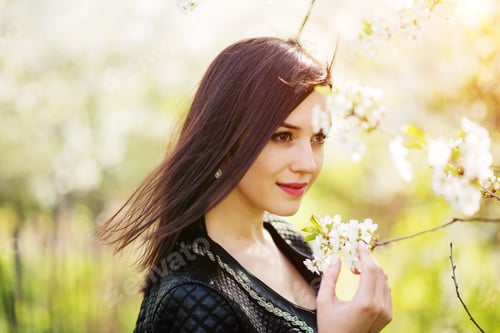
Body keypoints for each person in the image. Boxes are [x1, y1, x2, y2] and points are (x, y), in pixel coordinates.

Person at [96, 36, 392, 332]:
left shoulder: (288, 240)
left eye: (318, 139)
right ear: (224, 139)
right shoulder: (193, 299)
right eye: (282, 136)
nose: (308, 164)